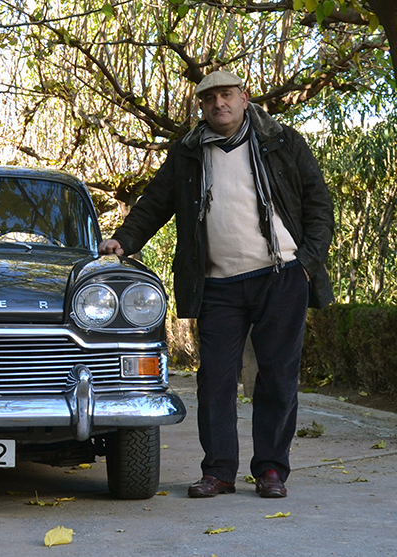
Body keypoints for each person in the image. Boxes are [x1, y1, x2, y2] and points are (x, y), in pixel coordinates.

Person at [99, 71, 334, 498]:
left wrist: (306, 263)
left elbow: (319, 203)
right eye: (209, 99)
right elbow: (156, 202)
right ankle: (219, 471)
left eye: (226, 95)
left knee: (278, 377)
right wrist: (124, 239)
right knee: (215, 381)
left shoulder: (281, 141)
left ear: (244, 99)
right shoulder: (189, 152)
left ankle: (271, 471)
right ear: (201, 107)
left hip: (280, 277)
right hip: (218, 285)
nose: (218, 104)